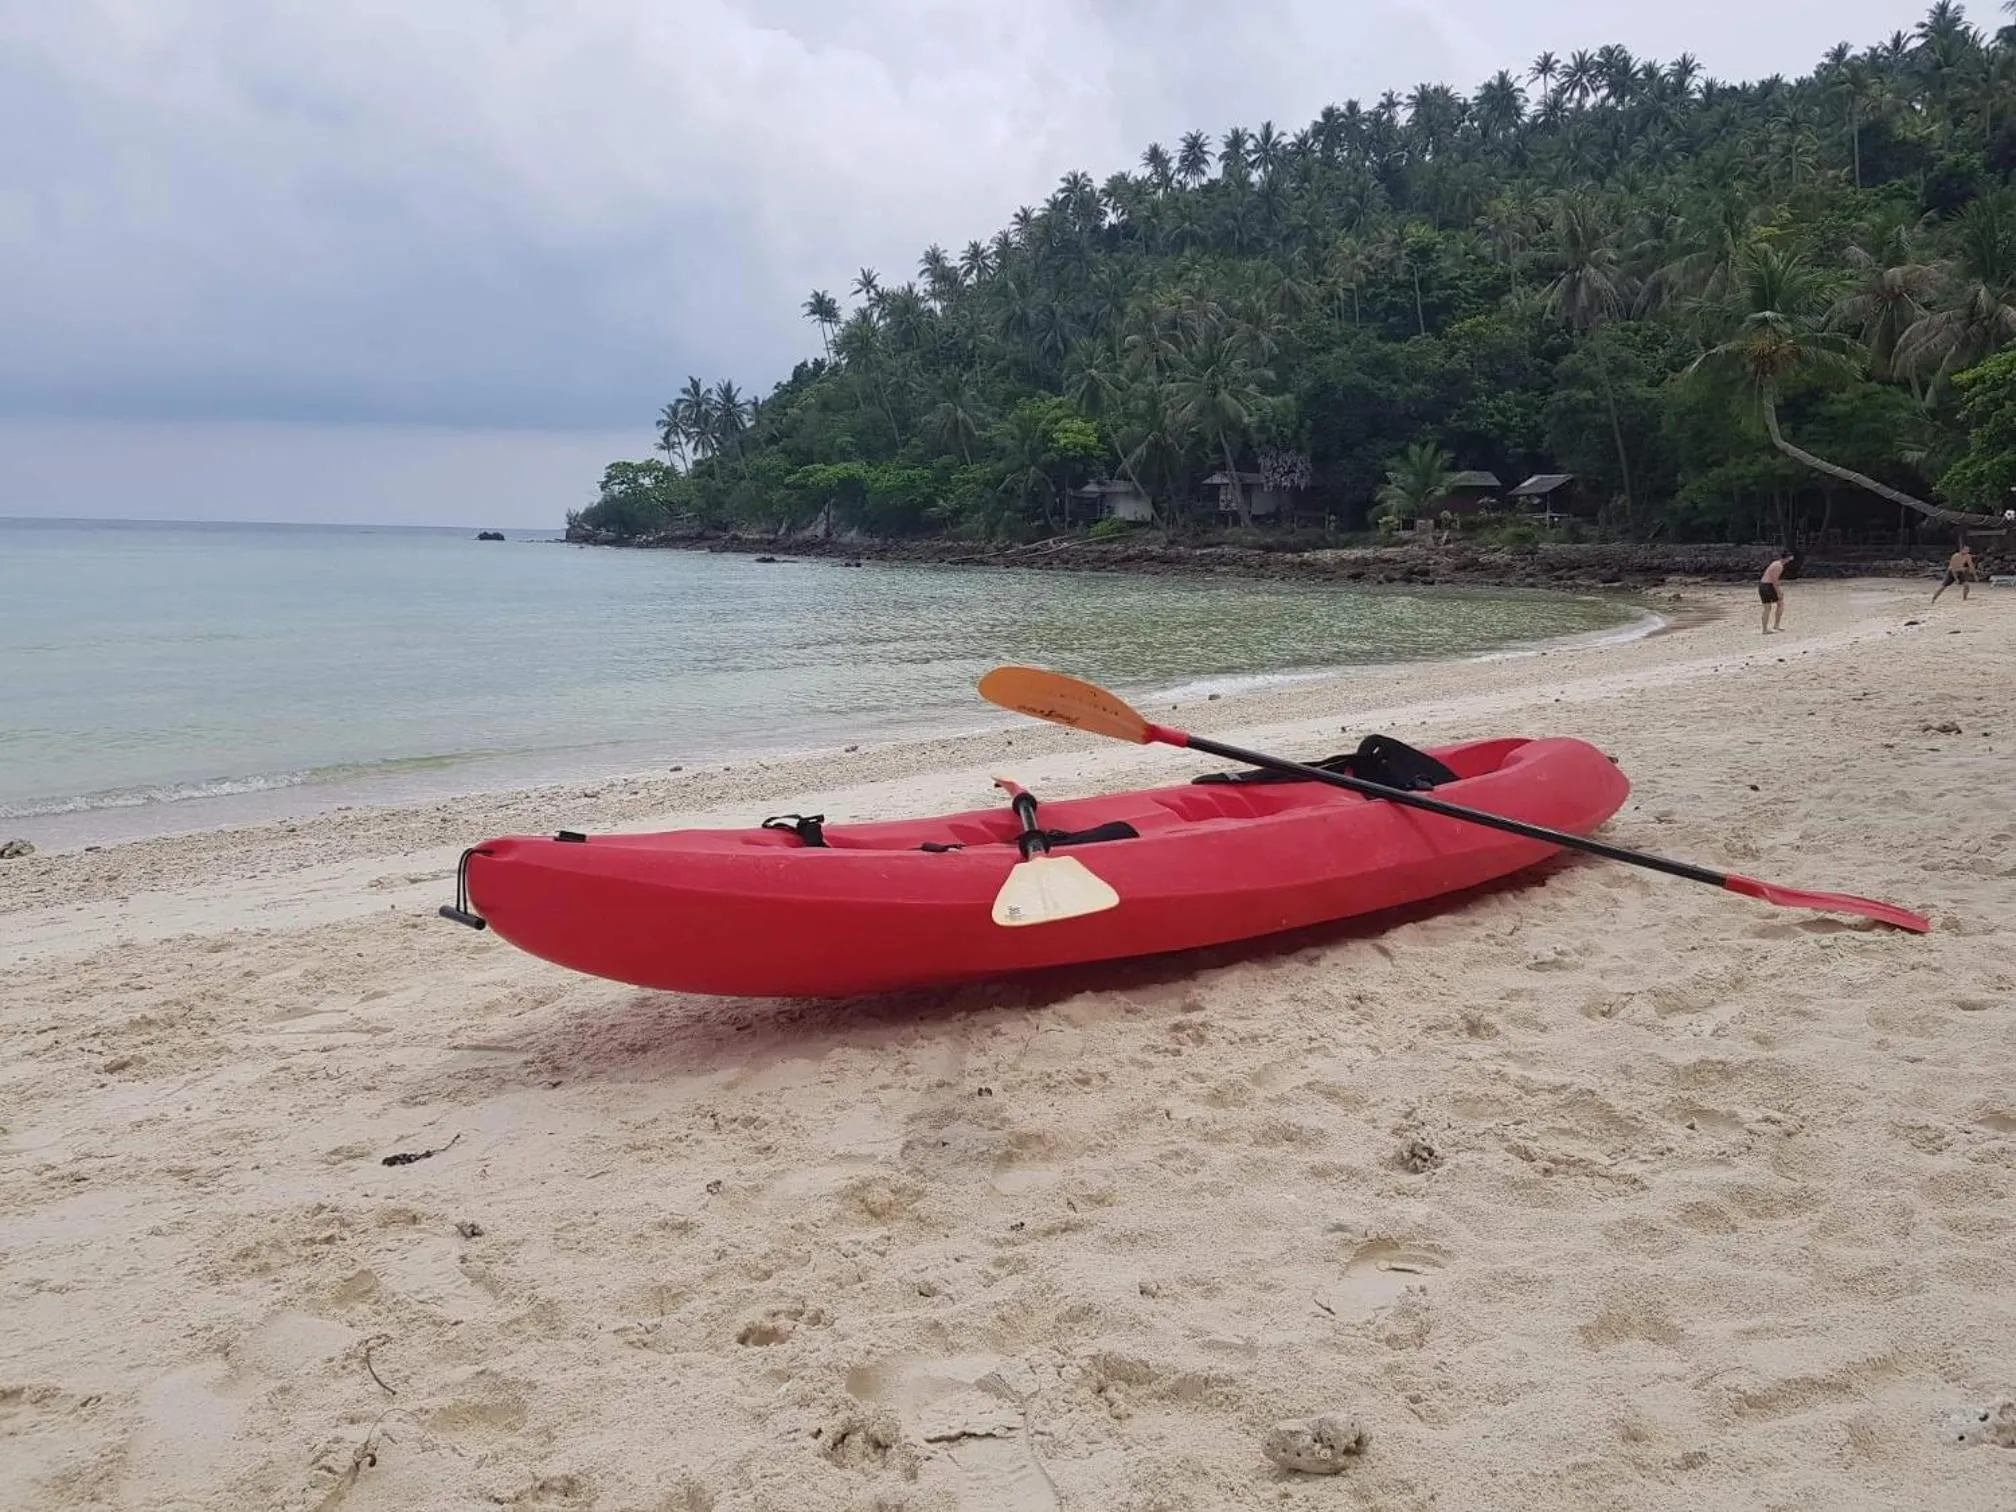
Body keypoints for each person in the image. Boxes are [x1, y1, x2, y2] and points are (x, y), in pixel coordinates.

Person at [1758, 550, 1792, 633]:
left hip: (1763, 585)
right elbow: (1774, 580)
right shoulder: (1779, 566)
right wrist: (1779, 592)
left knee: (1768, 607)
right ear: (1787, 558)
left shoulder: (1775, 563)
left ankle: (1766, 629)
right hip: (1767, 586)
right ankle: (1774, 625)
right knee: (1779, 604)